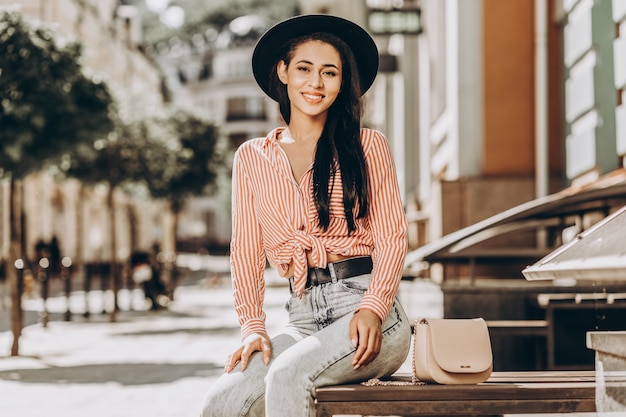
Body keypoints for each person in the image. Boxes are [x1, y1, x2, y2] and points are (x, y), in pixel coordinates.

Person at [201, 14, 411, 417]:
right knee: (222, 403)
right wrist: (253, 327)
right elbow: (244, 251)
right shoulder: (252, 158)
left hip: (369, 313)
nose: (316, 83)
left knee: (287, 377)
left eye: (329, 72)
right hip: (301, 317)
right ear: (282, 71)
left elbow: (392, 237)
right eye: (304, 68)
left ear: (341, 82)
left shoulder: (368, 146)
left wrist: (375, 305)